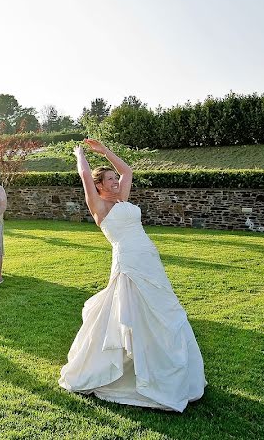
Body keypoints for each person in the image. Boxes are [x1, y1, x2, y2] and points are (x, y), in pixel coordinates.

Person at [59, 139, 206, 412]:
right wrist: (80, 155)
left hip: (149, 258)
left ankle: (162, 367)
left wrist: (105, 152)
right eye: (110, 180)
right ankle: (126, 370)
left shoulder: (123, 198)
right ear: (99, 185)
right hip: (128, 262)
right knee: (131, 311)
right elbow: (83, 176)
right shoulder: (100, 207)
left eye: (115, 179)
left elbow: (128, 172)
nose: (116, 182)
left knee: (162, 310)